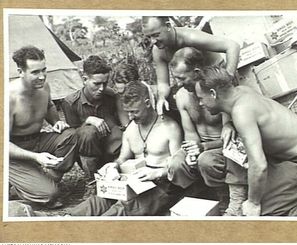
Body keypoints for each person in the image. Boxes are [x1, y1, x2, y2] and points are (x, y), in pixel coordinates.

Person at [195, 65, 297, 216]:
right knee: (222, 155)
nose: (200, 104)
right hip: (290, 153)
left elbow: (259, 165)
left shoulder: (241, 113)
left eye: (200, 98)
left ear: (213, 93)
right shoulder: (242, 91)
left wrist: (253, 203)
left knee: (261, 211)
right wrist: (229, 124)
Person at [69, 80, 183, 216]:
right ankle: (66, 219)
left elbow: (179, 170)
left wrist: (158, 173)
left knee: (125, 207)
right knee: (102, 199)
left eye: (135, 112)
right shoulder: (131, 129)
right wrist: (113, 166)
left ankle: (95, 231)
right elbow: (122, 158)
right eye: (128, 112)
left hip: (161, 186)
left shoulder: (170, 128)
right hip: (133, 181)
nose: (130, 117)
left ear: (147, 103)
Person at [167, 47, 236, 214]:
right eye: (175, 78)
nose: (178, 83)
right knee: (175, 163)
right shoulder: (182, 96)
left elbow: (231, 136)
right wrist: (191, 152)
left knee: (206, 160)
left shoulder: (216, 90)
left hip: (223, 146)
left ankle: (224, 198)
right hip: (202, 147)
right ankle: (199, 192)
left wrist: (203, 149)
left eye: (181, 78)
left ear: (196, 71)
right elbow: (191, 136)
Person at [9, 46, 77, 208]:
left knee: (71, 135)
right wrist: (36, 157)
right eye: (35, 72)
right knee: (50, 195)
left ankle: (41, 179)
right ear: (20, 71)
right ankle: (15, 188)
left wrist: (56, 122)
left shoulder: (43, 86)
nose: (42, 77)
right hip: (12, 153)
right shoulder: (9, 98)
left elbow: (49, 106)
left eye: (44, 70)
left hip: (37, 141)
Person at [141, 16, 240, 117]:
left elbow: (232, 46)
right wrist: (162, 98)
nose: (153, 41)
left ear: (168, 26)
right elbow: (163, 83)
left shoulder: (191, 37)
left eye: (156, 35)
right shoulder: (157, 51)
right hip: (192, 84)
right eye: (149, 37)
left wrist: (228, 78)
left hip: (217, 82)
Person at [61, 55, 125, 181]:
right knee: (88, 132)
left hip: (113, 153)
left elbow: (124, 126)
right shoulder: (70, 103)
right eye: (96, 84)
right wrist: (87, 121)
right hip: (88, 156)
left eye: (105, 83)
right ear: (85, 79)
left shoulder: (112, 96)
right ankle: (92, 180)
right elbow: (72, 137)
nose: (101, 88)